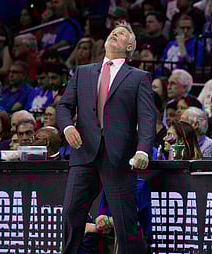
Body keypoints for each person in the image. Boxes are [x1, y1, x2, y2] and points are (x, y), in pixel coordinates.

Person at [56, 21, 157, 253]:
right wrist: (67, 128)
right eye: (113, 31)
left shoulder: (139, 77)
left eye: (121, 34)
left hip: (119, 157)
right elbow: (63, 108)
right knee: (72, 212)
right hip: (84, 152)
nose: (114, 34)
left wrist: (142, 150)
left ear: (129, 46)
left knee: (125, 222)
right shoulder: (83, 72)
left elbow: (147, 117)